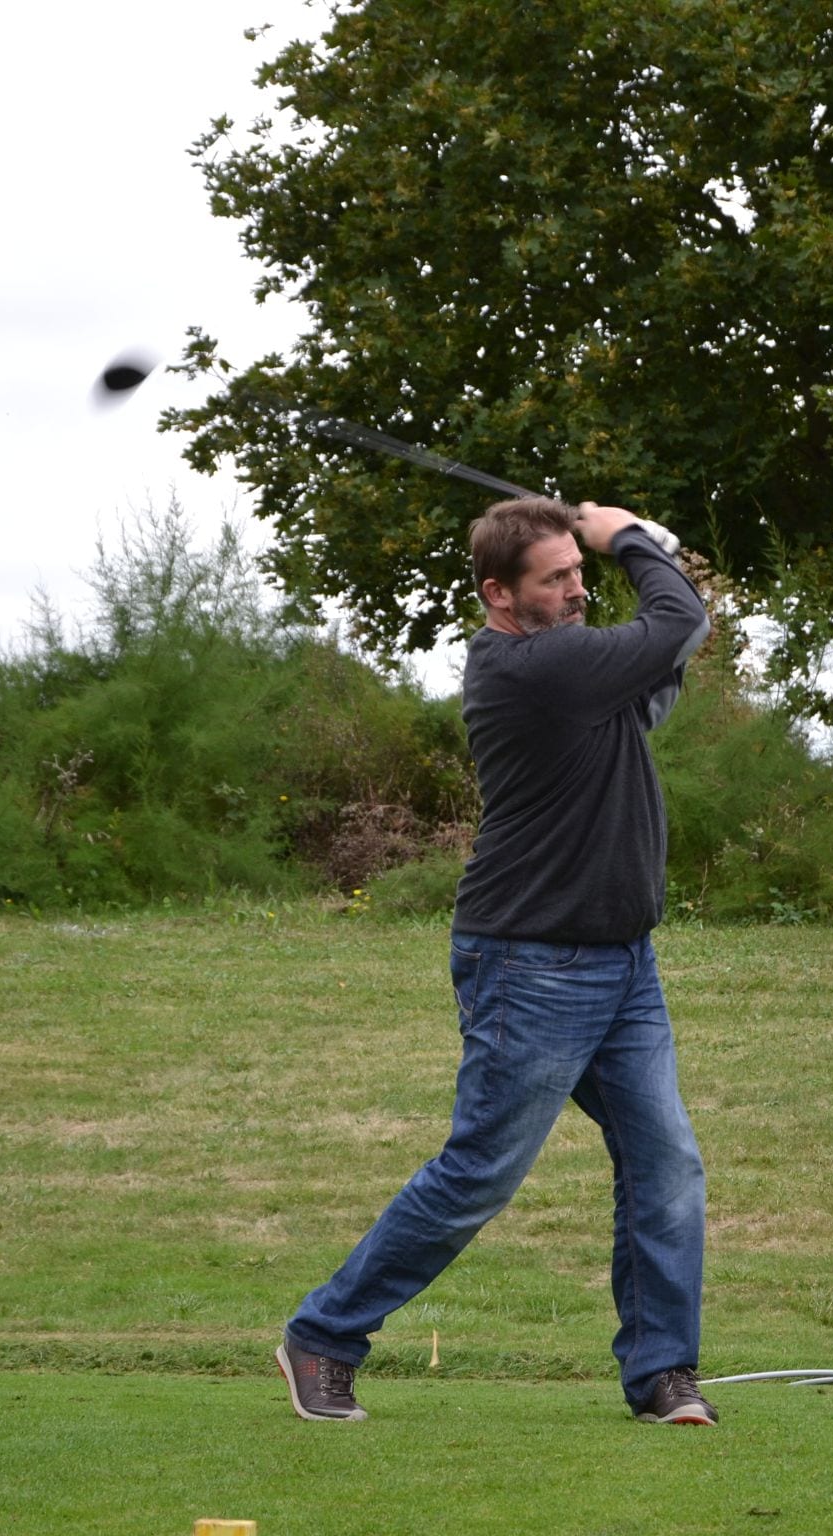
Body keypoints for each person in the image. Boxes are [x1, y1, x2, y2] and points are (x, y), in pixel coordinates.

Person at [276, 497, 718, 1426]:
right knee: (480, 1171)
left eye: (580, 571)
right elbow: (678, 621)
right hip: (531, 965)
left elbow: (671, 650)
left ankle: (662, 1374)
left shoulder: (578, 670)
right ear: (499, 595)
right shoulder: (533, 668)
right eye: (556, 578)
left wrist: (655, 559)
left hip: (623, 962)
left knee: (666, 1165)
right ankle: (323, 1335)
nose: (577, 589)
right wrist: (630, 537)